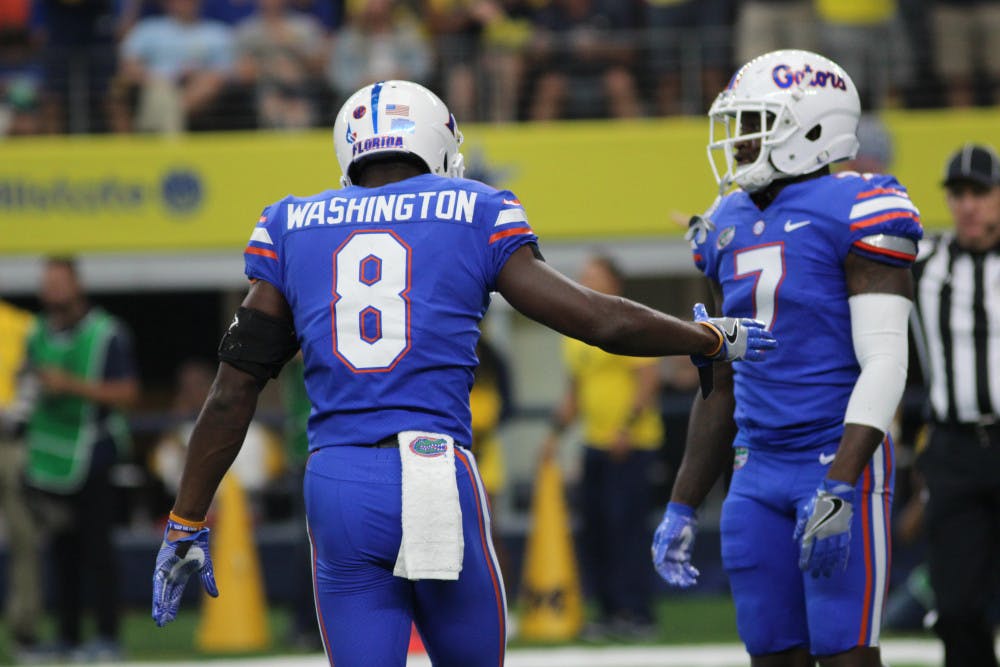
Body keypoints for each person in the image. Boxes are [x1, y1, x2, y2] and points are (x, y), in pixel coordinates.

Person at [149, 79, 776, 666]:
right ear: (439, 143)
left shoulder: (290, 223)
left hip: (335, 476)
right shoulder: (473, 208)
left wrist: (186, 517)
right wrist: (705, 337)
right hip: (431, 469)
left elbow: (234, 390)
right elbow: (599, 321)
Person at [652, 50, 923, 667]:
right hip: (756, 471)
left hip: (836, 457)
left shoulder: (861, 206)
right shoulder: (724, 223)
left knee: (846, 654)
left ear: (814, 128)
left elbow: (886, 361)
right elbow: (719, 381)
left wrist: (841, 484)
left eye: (755, 123)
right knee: (771, 654)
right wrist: (681, 503)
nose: (739, 142)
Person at [910, 143, 1000, 667]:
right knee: (957, 607)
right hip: (953, 451)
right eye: (958, 193)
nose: (968, 205)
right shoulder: (925, 264)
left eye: (980, 193)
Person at [24, 257, 139, 661]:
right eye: (47, 283)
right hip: (49, 459)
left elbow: (128, 393)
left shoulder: (106, 333)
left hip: (95, 454)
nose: (52, 290)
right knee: (61, 551)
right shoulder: (35, 333)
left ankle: (108, 635)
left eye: (59, 282)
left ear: (77, 285)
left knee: (98, 551)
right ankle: (67, 635)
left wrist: (69, 385)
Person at [544, 254, 663, 640]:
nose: (585, 281)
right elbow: (574, 392)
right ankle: (610, 611)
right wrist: (553, 436)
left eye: (594, 276)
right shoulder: (575, 330)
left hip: (631, 444)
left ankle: (638, 613)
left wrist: (626, 429)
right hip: (595, 444)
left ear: (614, 282)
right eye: (583, 276)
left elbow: (648, 380)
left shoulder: (627, 320)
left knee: (626, 528)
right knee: (594, 530)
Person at [0, 294, 40, 657]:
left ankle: (24, 630)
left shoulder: (22, 325)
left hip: (11, 442)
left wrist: (13, 416)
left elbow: (33, 381)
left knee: (24, 537)